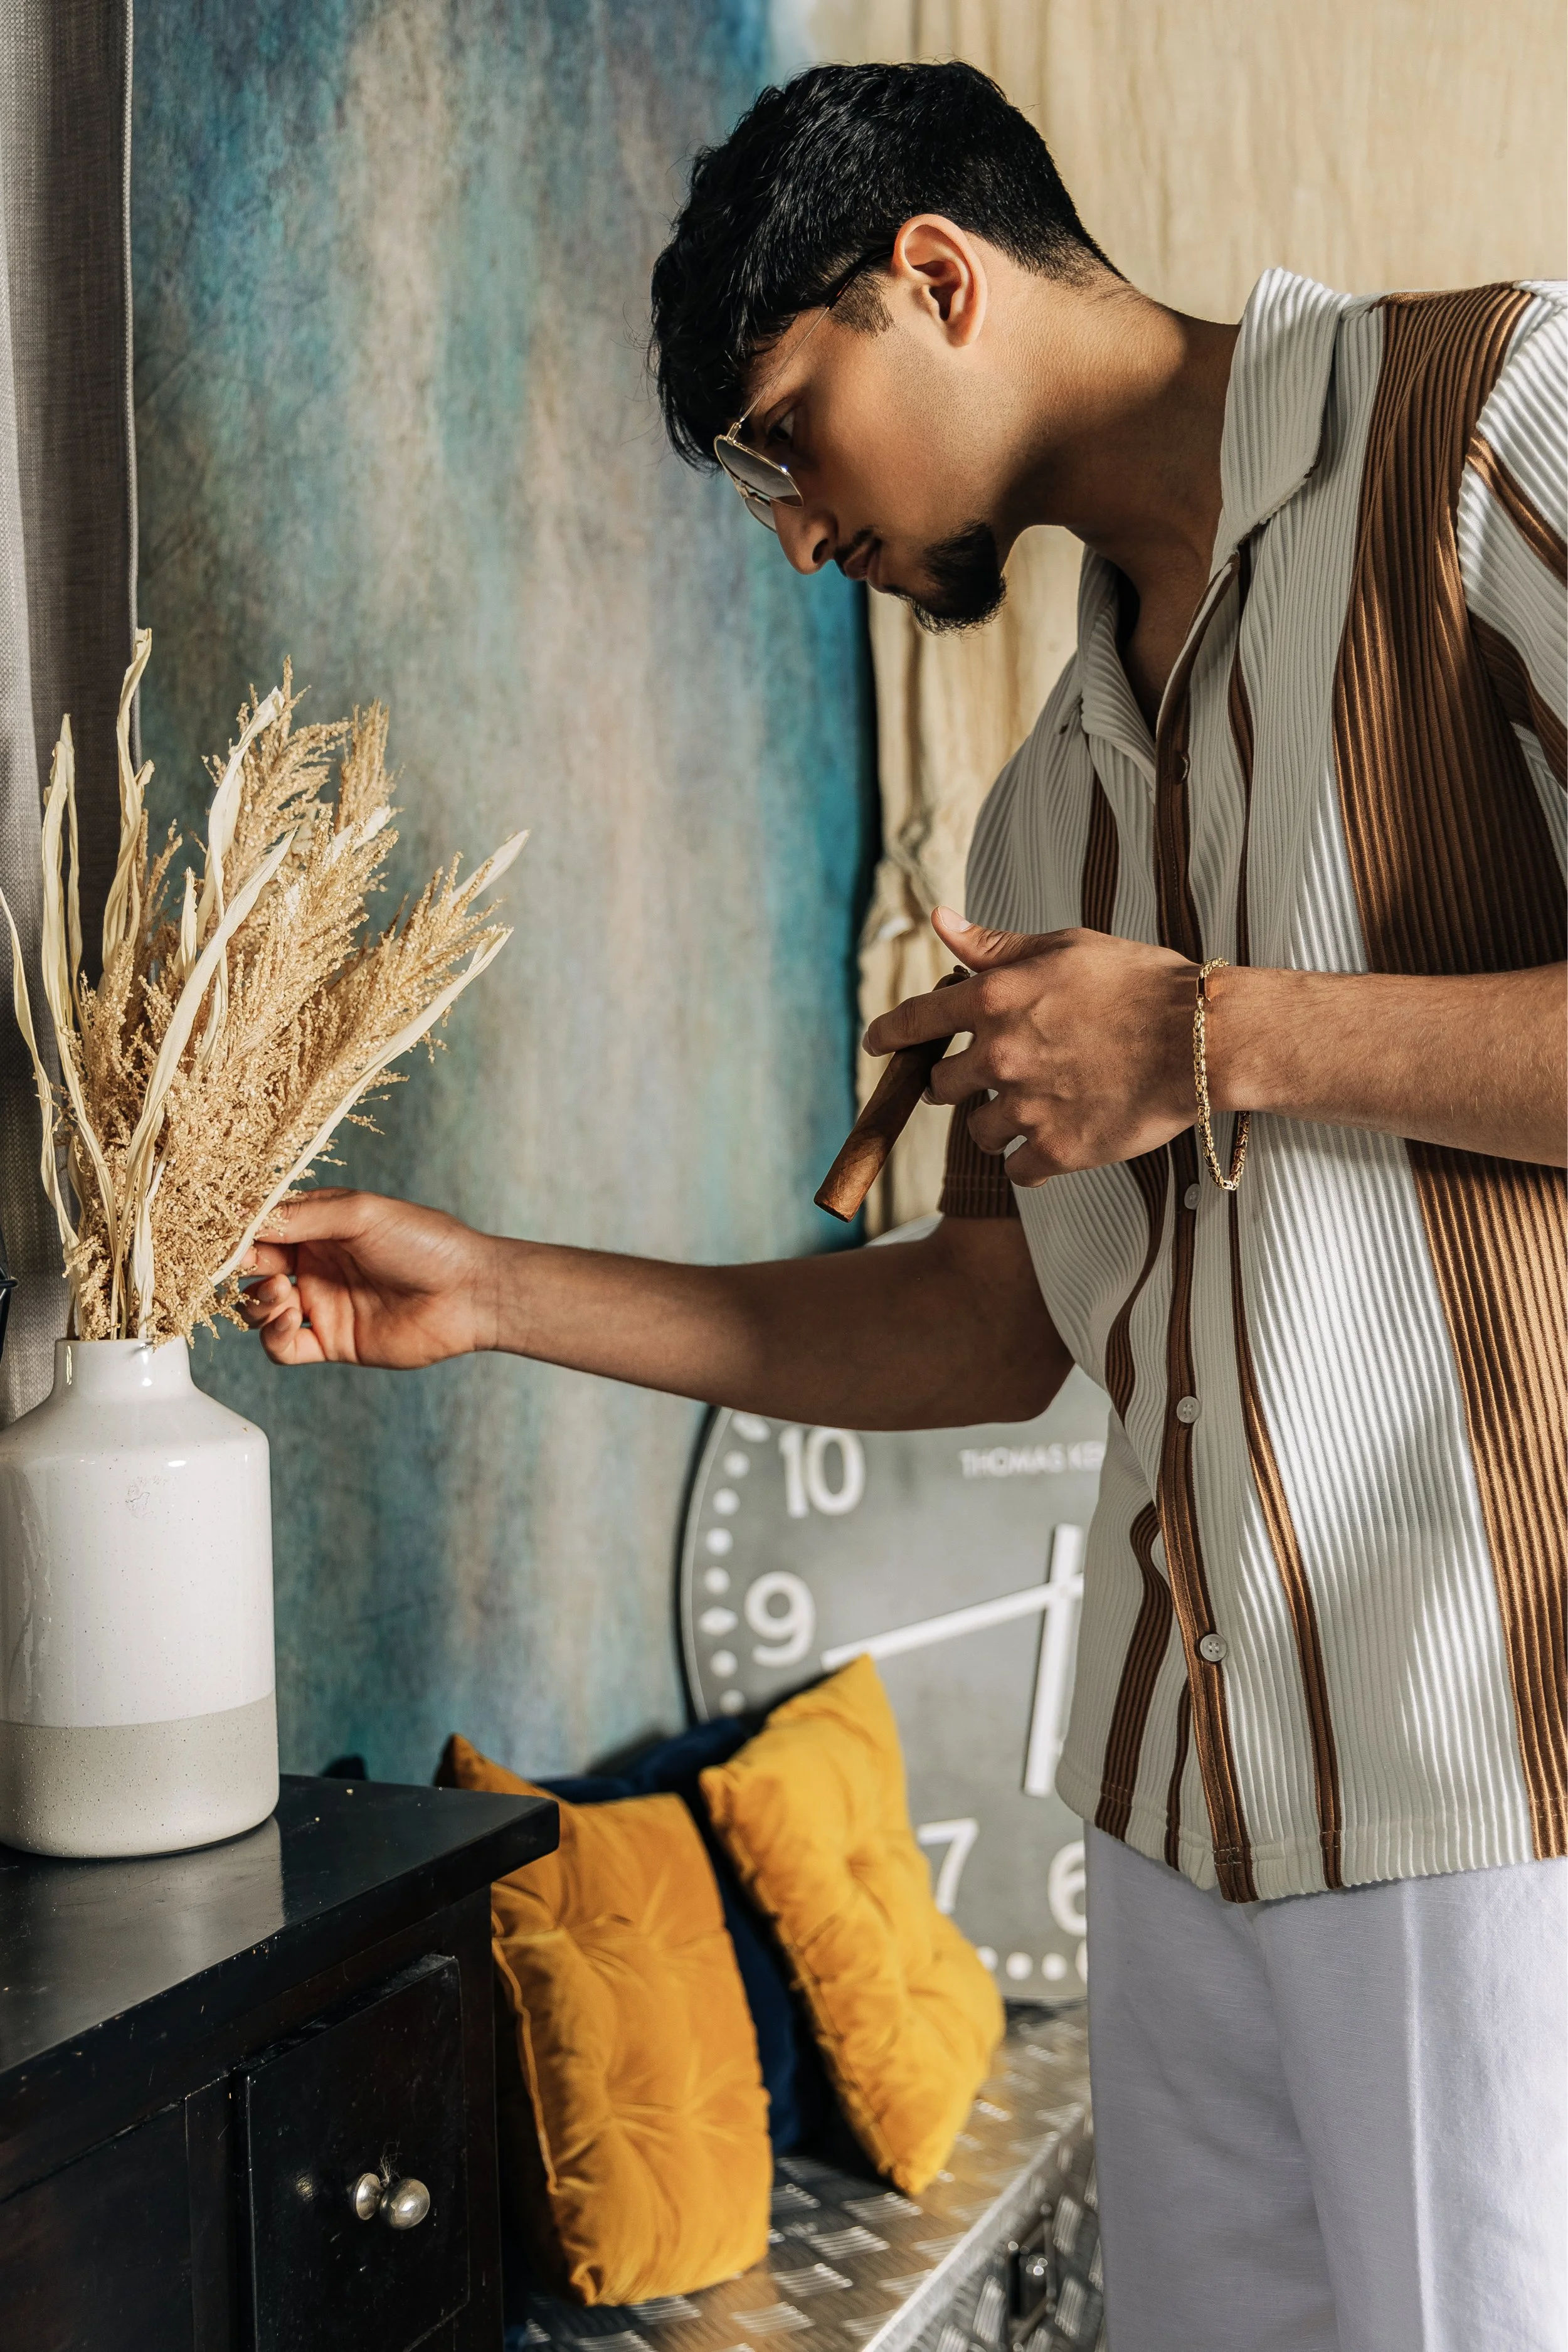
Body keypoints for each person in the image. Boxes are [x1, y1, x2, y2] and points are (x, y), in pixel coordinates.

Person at [239, 62, 1566, 2352]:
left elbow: (1202, 1050)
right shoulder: (1045, 814)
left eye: (778, 434)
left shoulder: (1486, 421)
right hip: (1179, 1815)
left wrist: (1210, 1038)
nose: (787, 532)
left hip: (1491, 1770)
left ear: (932, 280)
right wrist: (494, 1291)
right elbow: (988, 1321)